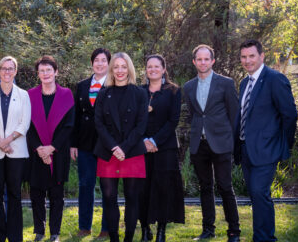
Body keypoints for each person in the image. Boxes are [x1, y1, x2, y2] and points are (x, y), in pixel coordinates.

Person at [234, 40, 297, 242]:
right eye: (244, 57)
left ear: (262, 56)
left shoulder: (275, 79)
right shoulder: (245, 83)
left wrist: (283, 144)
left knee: (260, 193)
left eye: (251, 56)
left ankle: (264, 238)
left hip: (267, 150)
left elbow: (289, 115)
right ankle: (262, 236)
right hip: (246, 150)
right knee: (256, 195)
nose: (247, 60)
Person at [183, 45, 241, 242]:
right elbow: (194, 114)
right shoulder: (189, 86)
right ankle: (208, 229)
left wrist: (234, 142)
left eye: (206, 59)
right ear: (194, 62)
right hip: (200, 144)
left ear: (213, 61)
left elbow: (235, 114)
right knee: (205, 187)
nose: (203, 62)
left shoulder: (225, 83)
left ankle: (234, 231)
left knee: (225, 186)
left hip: (222, 143)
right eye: (199, 59)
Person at [93, 52, 148, 242]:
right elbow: (98, 123)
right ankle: (114, 239)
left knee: (132, 197)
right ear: (111, 69)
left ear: (129, 69)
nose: (120, 70)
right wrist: (114, 147)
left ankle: (128, 239)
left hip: (131, 152)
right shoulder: (103, 92)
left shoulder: (140, 93)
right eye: (116, 66)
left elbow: (141, 125)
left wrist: (124, 147)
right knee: (109, 198)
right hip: (108, 152)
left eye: (123, 66)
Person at [0, 56, 31, 242]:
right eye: (3, 68)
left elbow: (24, 123)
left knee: (14, 194)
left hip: (16, 150)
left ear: (15, 72)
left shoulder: (24, 95)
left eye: (11, 68)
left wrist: (7, 140)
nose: (7, 72)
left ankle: (15, 235)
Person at [26, 56, 74, 242]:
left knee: (56, 196)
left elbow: (69, 126)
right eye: (42, 71)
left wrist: (52, 148)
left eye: (48, 70)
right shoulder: (29, 95)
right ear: (37, 74)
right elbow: (26, 126)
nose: (45, 74)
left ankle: (55, 232)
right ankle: (39, 231)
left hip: (59, 153)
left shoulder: (66, 95)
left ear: (56, 72)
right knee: (36, 194)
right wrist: (39, 148)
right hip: (36, 153)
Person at [138, 55, 185, 242]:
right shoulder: (139, 91)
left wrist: (154, 142)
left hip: (165, 148)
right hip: (141, 148)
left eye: (157, 66)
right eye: (149, 67)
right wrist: (144, 142)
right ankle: (144, 229)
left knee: (163, 188)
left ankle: (161, 231)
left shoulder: (173, 91)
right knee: (142, 189)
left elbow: (173, 120)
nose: (153, 69)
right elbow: (135, 120)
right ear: (146, 70)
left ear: (164, 69)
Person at [70, 47, 111, 238]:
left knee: (107, 186)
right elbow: (76, 116)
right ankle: (84, 226)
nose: (100, 63)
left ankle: (106, 228)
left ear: (108, 63)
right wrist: (73, 143)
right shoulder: (82, 85)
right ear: (92, 63)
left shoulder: (114, 84)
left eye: (103, 60)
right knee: (86, 184)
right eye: (97, 60)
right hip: (85, 143)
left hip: (107, 144)